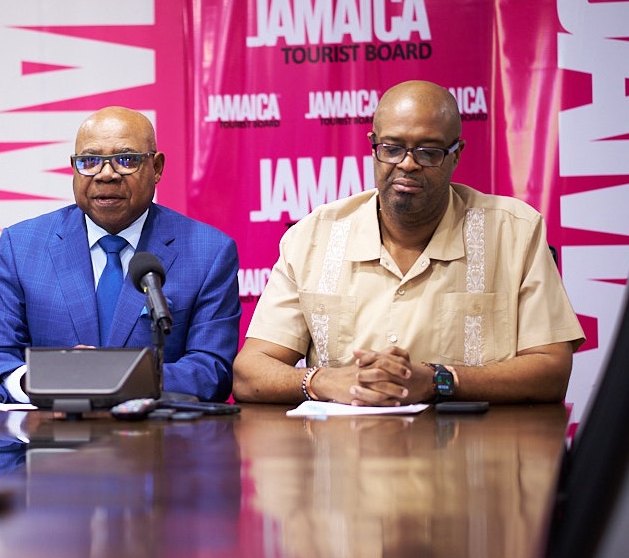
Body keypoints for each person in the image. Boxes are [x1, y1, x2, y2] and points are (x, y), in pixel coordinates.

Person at [233, 80, 584, 406]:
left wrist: (439, 380)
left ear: (456, 154)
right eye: (392, 148)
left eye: (428, 152)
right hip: (344, 459)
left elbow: (551, 371)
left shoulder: (515, 233)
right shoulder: (312, 237)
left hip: (475, 457)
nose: (407, 164)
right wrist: (325, 381)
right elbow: (250, 373)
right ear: (373, 147)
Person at [0, 106, 241, 403]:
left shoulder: (209, 252)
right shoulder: (21, 247)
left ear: (157, 167)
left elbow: (212, 370)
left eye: (126, 160)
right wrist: (41, 380)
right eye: (90, 161)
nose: (106, 175)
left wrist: (110, 375)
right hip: (49, 441)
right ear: (74, 168)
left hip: (158, 444)